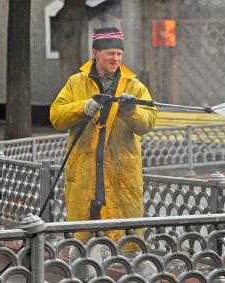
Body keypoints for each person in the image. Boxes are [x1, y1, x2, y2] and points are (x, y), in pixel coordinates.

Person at [50, 27, 157, 279]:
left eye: (119, 53)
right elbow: (56, 116)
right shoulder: (76, 83)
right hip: (86, 176)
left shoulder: (134, 85)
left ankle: (145, 278)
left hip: (120, 177)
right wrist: (82, 108)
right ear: (95, 53)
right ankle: (85, 277)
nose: (116, 59)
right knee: (85, 242)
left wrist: (131, 112)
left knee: (132, 242)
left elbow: (149, 121)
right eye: (111, 53)